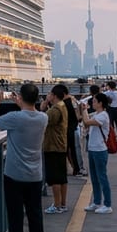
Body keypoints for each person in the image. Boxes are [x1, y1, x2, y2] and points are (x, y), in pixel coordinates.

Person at [0, 83, 47, 232]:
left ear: (21, 97)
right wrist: (20, 102)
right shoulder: (43, 118)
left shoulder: (15, 118)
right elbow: (28, 115)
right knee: (35, 217)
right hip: (35, 175)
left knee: (15, 219)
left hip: (14, 175)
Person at [77, 92, 114, 214]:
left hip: (100, 149)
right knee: (94, 178)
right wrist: (83, 110)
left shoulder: (103, 115)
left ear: (100, 103)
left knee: (102, 177)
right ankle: (97, 202)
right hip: (92, 149)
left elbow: (87, 122)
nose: (92, 103)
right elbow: (84, 121)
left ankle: (107, 204)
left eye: (94, 101)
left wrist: (84, 109)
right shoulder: (97, 114)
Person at [39, 84, 70, 214]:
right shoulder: (62, 106)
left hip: (53, 146)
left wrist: (45, 102)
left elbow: (42, 119)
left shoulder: (55, 109)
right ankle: (62, 204)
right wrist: (46, 103)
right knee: (62, 178)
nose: (48, 95)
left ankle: (57, 205)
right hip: (61, 146)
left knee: (55, 178)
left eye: (50, 94)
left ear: (54, 96)